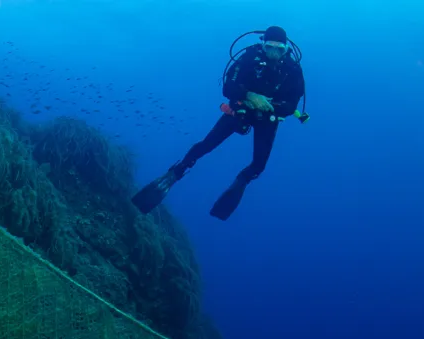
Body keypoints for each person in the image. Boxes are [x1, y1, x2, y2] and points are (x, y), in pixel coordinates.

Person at [131, 25, 306, 220]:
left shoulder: (293, 69)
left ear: (286, 49)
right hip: (241, 110)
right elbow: (227, 87)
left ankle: (241, 182)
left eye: (279, 49)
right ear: (262, 45)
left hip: (268, 118)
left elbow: (292, 105)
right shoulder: (249, 58)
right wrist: (249, 95)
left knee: (258, 165)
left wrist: (270, 106)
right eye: (269, 48)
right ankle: (176, 172)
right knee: (206, 145)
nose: (273, 53)